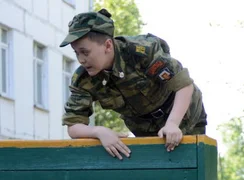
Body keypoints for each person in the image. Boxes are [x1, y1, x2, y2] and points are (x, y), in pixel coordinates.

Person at [60, 8, 207, 158]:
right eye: (76, 53)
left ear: (108, 46)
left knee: (191, 167)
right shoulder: (83, 79)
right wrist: (98, 131)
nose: (81, 60)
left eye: (85, 52)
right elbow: (73, 126)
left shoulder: (140, 52)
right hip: (145, 128)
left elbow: (183, 84)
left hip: (184, 114)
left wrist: (172, 124)